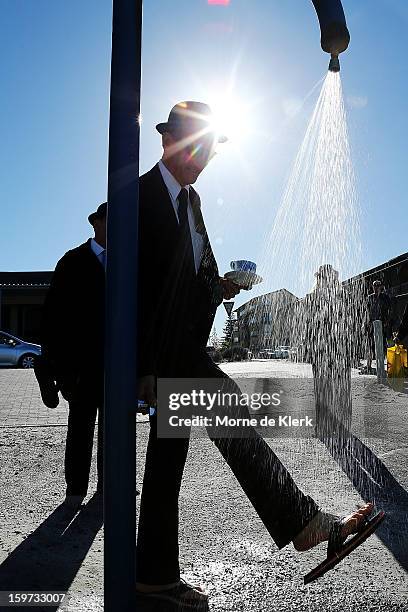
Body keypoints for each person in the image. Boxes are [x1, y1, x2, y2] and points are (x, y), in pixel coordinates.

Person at [135, 101, 383, 607]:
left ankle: (153, 577)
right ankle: (306, 524)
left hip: (181, 350)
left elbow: (192, 276)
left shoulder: (193, 202)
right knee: (228, 414)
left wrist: (222, 285)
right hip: (161, 356)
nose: (204, 157)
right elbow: (131, 289)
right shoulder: (137, 198)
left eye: (211, 150)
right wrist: (138, 368)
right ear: (168, 141)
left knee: (167, 464)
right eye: (196, 146)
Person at [41, 202, 107, 507]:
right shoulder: (72, 262)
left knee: (115, 428)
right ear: (95, 224)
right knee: (80, 428)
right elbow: (53, 317)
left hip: (116, 365)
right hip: (80, 366)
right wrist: (57, 367)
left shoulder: (129, 261)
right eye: (110, 221)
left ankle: (110, 485)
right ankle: (76, 490)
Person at [301, 264, 352, 449]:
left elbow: (348, 322)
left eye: (327, 277)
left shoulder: (338, 296)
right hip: (326, 349)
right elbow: (309, 325)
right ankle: (328, 426)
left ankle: (334, 427)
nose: (325, 280)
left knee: (334, 388)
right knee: (327, 388)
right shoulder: (321, 297)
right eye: (323, 277)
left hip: (335, 348)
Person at [363, 280, 392, 374]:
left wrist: (386, 321)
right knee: (370, 344)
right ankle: (368, 365)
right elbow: (366, 311)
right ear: (372, 286)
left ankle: (381, 365)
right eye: (374, 285)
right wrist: (366, 322)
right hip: (371, 324)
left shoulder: (385, 297)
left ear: (381, 286)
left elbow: (389, 310)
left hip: (382, 324)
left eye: (378, 285)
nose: (376, 287)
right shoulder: (370, 297)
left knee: (383, 344)